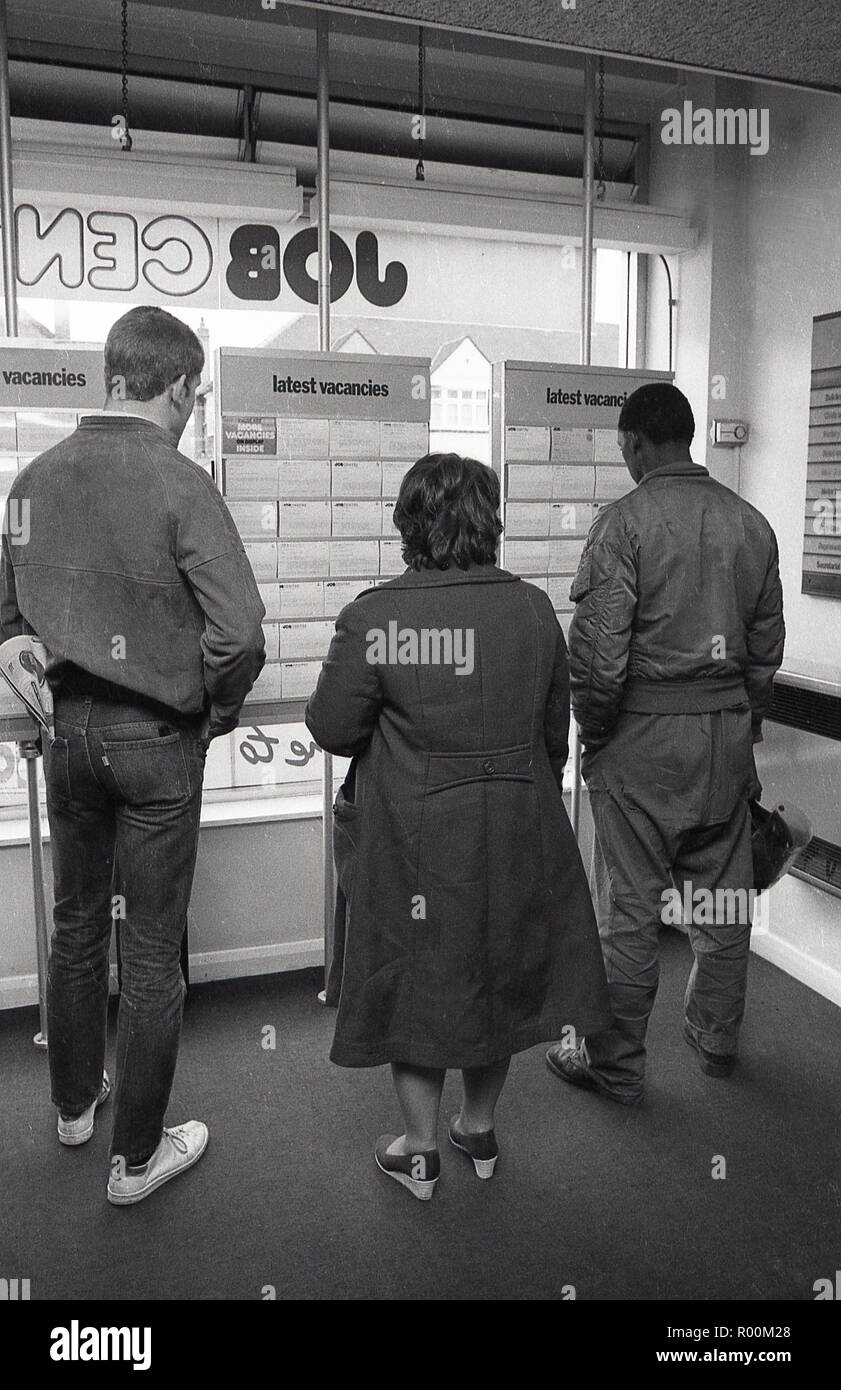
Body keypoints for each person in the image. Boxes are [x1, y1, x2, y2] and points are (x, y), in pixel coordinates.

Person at [0, 306, 266, 1203]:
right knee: (150, 952)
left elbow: (6, 618)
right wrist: (215, 712)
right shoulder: (181, 483)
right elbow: (240, 632)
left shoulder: (30, 479)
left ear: (113, 374)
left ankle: (76, 1108)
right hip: (157, 737)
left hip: (65, 736)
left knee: (76, 928)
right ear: (180, 387)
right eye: (194, 393)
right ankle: (137, 1158)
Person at [306, 452, 611, 1200]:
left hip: (413, 837)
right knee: (498, 973)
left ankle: (417, 1148)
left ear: (409, 522)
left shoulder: (378, 617)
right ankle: (477, 1129)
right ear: (489, 521)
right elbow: (551, 736)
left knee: (416, 984)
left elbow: (333, 727)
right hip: (517, 823)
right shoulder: (533, 610)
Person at [546, 382, 784, 1105]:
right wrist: (731, 719)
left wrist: (597, 735)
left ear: (634, 444)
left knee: (628, 912)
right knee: (721, 905)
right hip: (723, 743)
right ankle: (714, 1041)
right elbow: (765, 648)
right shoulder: (751, 524)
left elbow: (596, 655)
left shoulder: (622, 525)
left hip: (640, 744)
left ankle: (614, 1064)